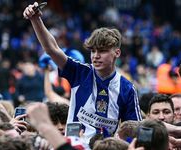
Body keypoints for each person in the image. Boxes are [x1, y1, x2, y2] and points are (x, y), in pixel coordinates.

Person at [23, 3, 142, 141]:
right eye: (93, 51)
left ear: (117, 53)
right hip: (74, 148)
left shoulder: (127, 88)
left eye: (102, 51)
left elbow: (134, 129)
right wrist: (36, 19)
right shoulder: (80, 72)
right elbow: (52, 49)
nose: (95, 56)